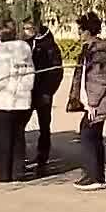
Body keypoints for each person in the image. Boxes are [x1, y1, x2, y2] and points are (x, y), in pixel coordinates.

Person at [68, 11, 106, 191]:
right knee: (92, 135)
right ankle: (94, 175)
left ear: (87, 31)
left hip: (97, 103)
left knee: (88, 135)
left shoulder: (97, 53)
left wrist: (92, 103)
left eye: (80, 30)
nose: (78, 33)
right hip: (91, 103)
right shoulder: (89, 49)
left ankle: (94, 176)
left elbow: (99, 80)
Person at [0, 20, 34, 183]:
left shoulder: (4, 51)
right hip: (21, 101)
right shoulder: (25, 50)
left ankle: (1, 173)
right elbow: (30, 76)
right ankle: (17, 172)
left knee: (1, 139)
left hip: (2, 100)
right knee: (17, 137)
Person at [23, 18, 63, 174]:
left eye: (28, 28)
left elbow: (56, 71)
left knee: (44, 126)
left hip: (43, 92)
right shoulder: (27, 44)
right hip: (28, 91)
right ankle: (20, 154)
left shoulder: (50, 47)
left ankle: (43, 156)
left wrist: (48, 91)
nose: (25, 31)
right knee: (20, 123)